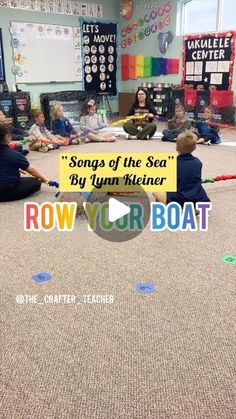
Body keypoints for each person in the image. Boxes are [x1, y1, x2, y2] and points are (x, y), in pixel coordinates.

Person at [153, 131, 210, 206]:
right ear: (195, 148)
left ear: (176, 148)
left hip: (178, 201)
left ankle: (165, 207)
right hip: (197, 201)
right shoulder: (198, 162)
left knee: (156, 189)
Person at [0, 126, 48, 202]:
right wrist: (44, 179)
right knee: (36, 182)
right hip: (7, 190)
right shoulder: (15, 154)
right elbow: (31, 170)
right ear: (7, 137)